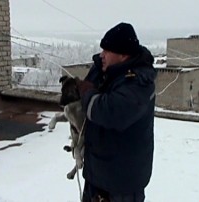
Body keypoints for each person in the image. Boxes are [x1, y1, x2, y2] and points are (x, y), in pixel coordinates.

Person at [76, 22, 157, 202]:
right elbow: (86, 91)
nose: (101, 55)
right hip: (97, 176)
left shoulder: (140, 82)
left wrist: (87, 93)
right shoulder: (106, 70)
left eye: (107, 51)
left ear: (123, 55)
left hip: (121, 186)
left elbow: (108, 111)